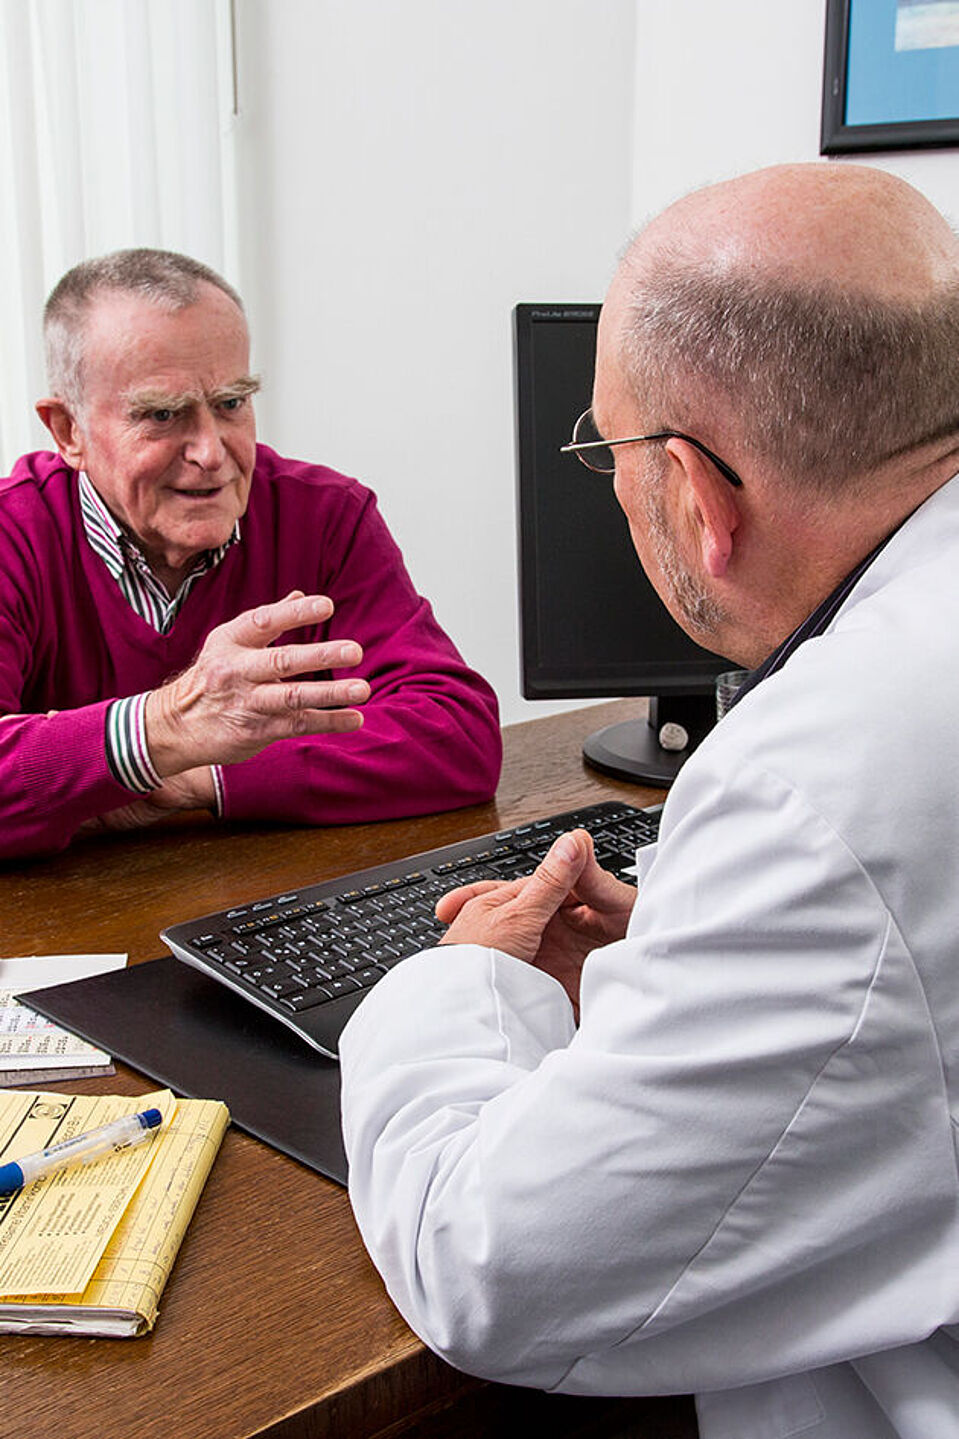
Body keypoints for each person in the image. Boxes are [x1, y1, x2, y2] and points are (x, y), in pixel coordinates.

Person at [339, 162, 959, 1439]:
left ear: (694, 489)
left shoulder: (819, 771)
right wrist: (700, 955)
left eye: (606, 449)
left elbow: (491, 1268)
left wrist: (459, 981)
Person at [0, 249, 501, 859]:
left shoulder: (325, 516)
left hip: (267, 913)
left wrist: (199, 774)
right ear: (67, 431)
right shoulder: (14, 534)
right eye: (162, 415)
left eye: (232, 403)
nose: (212, 452)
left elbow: (456, 736)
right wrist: (166, 727)